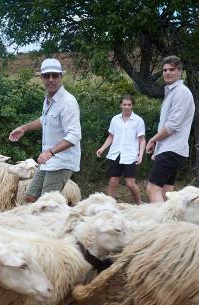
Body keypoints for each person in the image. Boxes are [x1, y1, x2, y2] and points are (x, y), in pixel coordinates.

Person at [8, 58, 81, 203]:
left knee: (46, 204)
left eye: (55, 75)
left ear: (61, 76)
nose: (51, 80)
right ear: (41, 78)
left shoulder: (67, 102)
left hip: (61, 161)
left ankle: (56, 224)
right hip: (49, 161)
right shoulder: (48, 99)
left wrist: (50, 153)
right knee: (30, 197)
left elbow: (74, 135)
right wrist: (24, 128)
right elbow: (44, 120)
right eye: (47, 76)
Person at [145, 55, 195, 203]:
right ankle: (173, 223)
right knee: (167, 193)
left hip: (172, 150)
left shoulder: (181, 92)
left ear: (180, 71)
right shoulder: (173, 92)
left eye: (171, 69)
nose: (167, 72)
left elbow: (173, 125)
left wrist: (153, 140)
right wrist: (158, 147)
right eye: (164, 70)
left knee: (152, 189)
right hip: (170, 149)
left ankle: (163, 225)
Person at [96, 94, 146, 204]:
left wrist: (140, 155)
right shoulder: (115, 119)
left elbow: (142, 139)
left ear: (132, 106)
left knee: (130, 183)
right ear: (120, 105)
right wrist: (102, 148)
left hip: (130, 155)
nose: (126, 107)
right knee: (113, 181)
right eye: (124, 104)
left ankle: (139, 203)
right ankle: (110, 206)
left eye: (129, 105)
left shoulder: (138, 121)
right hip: (115, 154)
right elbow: (111, 136)